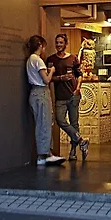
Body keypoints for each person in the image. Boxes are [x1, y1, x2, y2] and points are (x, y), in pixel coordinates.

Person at [47, 34, 90, 161]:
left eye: (61, 42)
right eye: (57, 42)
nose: (58, 45)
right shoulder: (51, 59)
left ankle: (73, 152)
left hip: (73, 95)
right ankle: (81, 140)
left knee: (74, 123)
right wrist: (61, 78)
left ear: (66, 44)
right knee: (60, 120)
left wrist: (78, 89)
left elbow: (79, 75)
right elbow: (48, 77)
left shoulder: (73, 58)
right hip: (60, 97)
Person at [26, 35, 65, 166]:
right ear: (40, 45)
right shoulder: (38, 60)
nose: (44, 50)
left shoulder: (29, 60)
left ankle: (47, 153)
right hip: (41, 93)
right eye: (43, 47)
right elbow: (46, 80)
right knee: (45, 123)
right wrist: (52, 71)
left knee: (41, 123)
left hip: (34, 93)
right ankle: (44, 155)